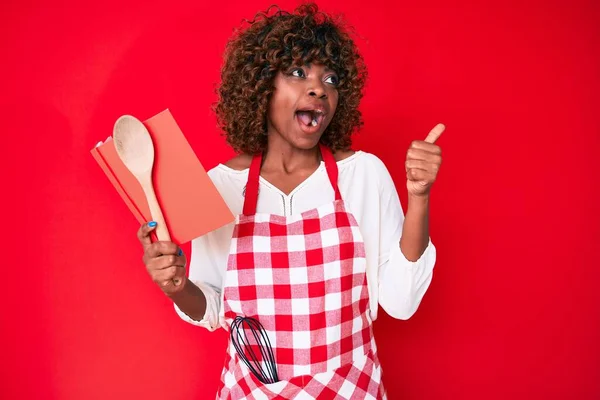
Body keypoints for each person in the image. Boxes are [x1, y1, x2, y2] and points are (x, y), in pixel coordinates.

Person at [136, 3, 444, 399]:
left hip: (352, 390)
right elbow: (212, 307)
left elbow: (401, 303)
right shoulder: (220, 186)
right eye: (298, 73)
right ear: (263, 86)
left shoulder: (363, 176)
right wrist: (176, 286)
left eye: (330, 79)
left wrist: (418, 198)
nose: (318, 88)